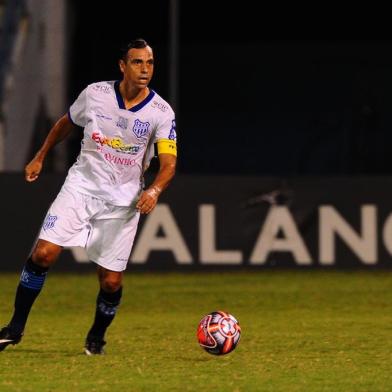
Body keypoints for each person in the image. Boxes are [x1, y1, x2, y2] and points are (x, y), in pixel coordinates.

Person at [0, 38, 177, 355]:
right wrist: (40, 155)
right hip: (80, 187)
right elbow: (66, 123)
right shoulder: (95, 94)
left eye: (149, 63)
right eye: (137, 62)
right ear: (122, 66)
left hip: (123, 201)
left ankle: (96, 336)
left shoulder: (161, 113)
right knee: (43, 254)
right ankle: (14, 328)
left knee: (110, 282)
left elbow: (169, 164)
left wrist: (154, 189)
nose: (145, 69)